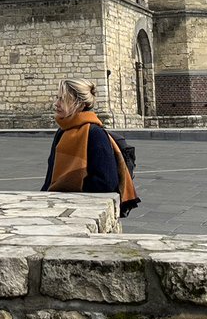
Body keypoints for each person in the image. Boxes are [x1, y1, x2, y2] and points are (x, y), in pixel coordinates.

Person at [41, 78, 139, 216]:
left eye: (62, 99)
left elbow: (106, 183)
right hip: (57, 204)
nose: (56, 104)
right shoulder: (62, 131)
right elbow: (50, 177)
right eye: (57, 98)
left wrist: (71, 189)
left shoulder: (95, 134)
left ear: (80, 104)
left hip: (82, 209)